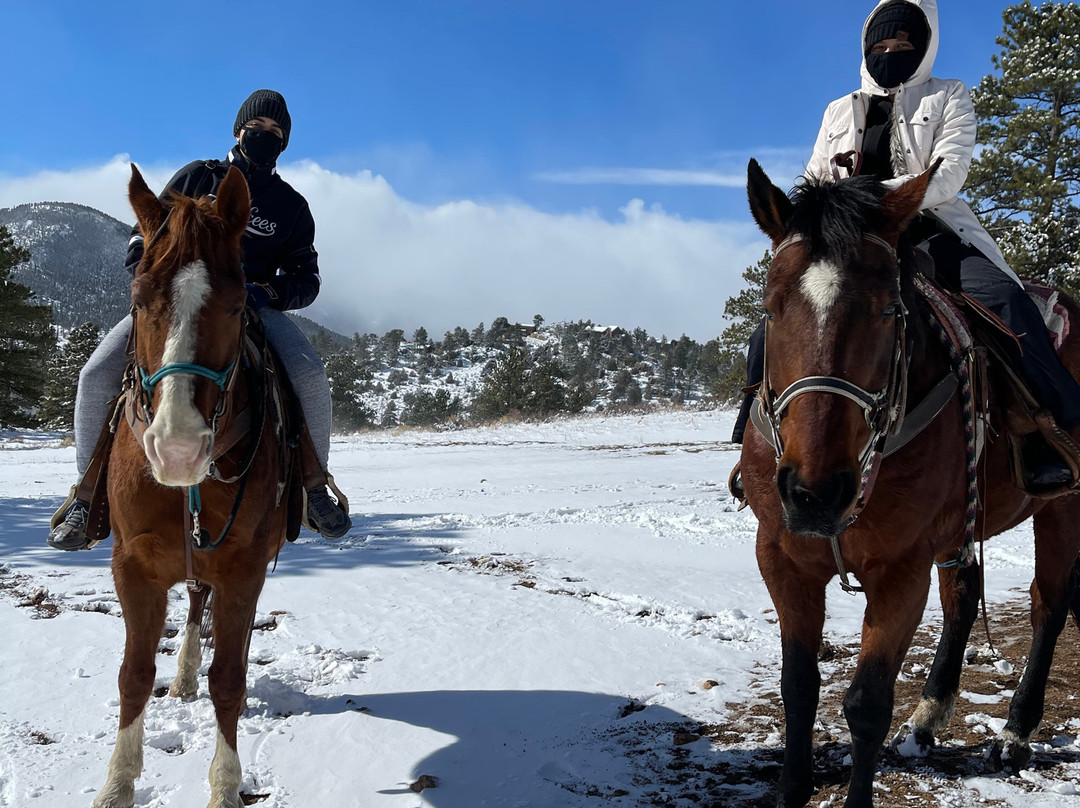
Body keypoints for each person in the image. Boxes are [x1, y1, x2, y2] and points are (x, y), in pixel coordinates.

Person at [732, 0, 1080, 490]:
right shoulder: (838, 109)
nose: (892, 51)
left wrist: (871, 196)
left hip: (928, 226)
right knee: (776, 322)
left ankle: (1049, 429)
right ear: (866, 47)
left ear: (925, 47)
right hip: (846, 240)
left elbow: (949, 173)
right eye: (882, 44)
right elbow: (815, 177)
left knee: (1006, 304)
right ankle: (754, 440)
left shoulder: (949, 96)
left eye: (904, 44)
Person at [48, 89, 352, 549]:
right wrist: (152, 279)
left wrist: (263, 292)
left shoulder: (291, 205)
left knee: (308, 372)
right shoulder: (196, 176)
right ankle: (86, 496)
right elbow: (143, 233)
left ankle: (313, 486)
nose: (264, 135)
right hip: (176, 306)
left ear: (285, 142)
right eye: (258, 127)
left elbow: (307, 280)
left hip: (248, 308)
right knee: (95, 375)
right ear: (238, 129)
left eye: (275, 131)